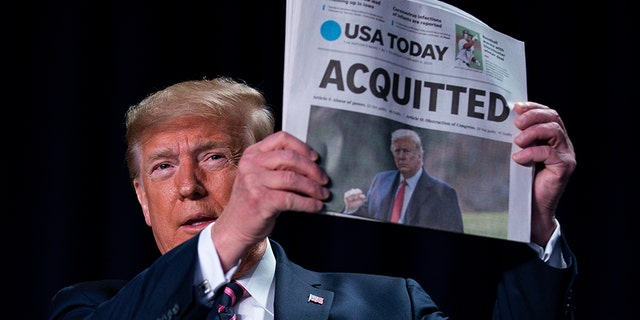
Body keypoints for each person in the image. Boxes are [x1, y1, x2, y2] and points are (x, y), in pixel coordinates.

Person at [48, 77, 577, 319]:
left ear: (272, 166)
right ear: (142, 199)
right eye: (163, 168)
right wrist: (228, 233)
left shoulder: (392, 306)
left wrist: (531, 224)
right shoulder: (87, 308)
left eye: (214, 157)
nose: (188, 186)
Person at [342, 128, 464, 233]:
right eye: (397, 151)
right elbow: (366, 216)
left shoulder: (444, 193)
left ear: (420, 156)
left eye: (406, 151)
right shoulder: (380, 180)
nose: (401, 156)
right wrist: (352, 209)